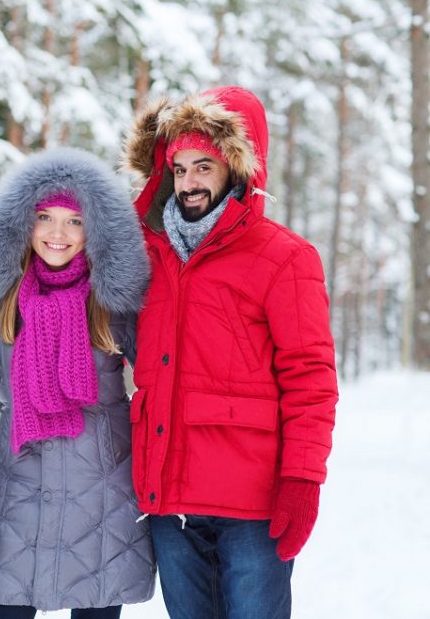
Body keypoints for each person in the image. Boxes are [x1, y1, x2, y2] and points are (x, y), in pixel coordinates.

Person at [119, 85, 339, 618]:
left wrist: (303, 479)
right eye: (179, 168)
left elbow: (310, 377)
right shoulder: (150, 257)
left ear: (237, 168)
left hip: (251, 507)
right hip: (171, 504)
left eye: (204, 167)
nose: (189, 183)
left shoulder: (285, 258)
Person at [0, 148, 156, 619]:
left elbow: (160, 373)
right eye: (45, 217)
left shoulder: (115, 299)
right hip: (22, 494)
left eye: (74, 221)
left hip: (102, 499)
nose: (57, 233)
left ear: (96, 228)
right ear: (21, 224)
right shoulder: (0, 297)